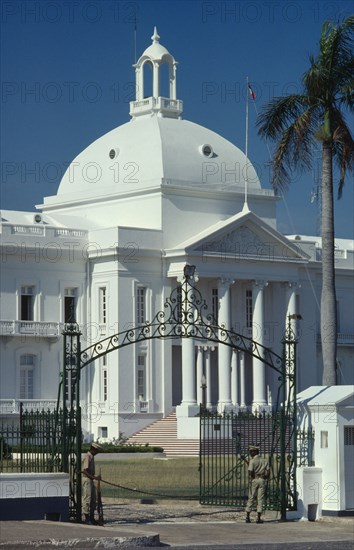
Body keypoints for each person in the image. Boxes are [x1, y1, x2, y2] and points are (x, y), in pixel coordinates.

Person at [245, 445, 270, 524]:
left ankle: (248, 516)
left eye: (252, 451)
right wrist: (265, 477)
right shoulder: (264, 460)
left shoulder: (252, 461)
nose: (250, 453)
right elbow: (268, 471)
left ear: (256, 452)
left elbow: (250, 471)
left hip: (255, 479)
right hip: (262, 480)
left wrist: (253, 478)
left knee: (251, 497)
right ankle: (258, 518)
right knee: (260, 499)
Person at [82, 442, 103, 524]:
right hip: (87, 479)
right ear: (93, 449)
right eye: (97, 451)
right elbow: (85, 471)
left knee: (94, 499)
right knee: (87, 498)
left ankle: (91, 517)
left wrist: (95, 477)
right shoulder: (87, 456)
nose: (97, 453)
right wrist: (95, 477)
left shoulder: (91, 457)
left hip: (90, 479)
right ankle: (87, 518)